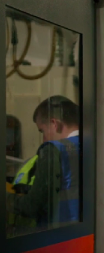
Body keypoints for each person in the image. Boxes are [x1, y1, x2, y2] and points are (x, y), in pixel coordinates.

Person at [9, 95, 81, 233]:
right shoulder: (98, 145)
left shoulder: (53, 150)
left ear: (54, 124)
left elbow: (31, 206)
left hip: (58, 238)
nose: (43, 139)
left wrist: (7, 199)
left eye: (42, 131)